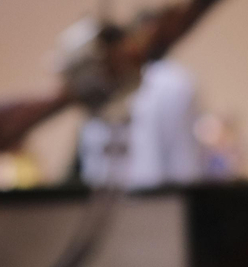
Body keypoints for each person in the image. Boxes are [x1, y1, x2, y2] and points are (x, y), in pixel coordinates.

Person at [76, 55, 203, 190]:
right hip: (104, 200)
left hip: (155, 201)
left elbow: (184, 169)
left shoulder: (172, 85)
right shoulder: (93, 85)